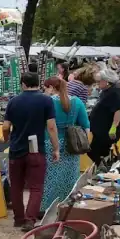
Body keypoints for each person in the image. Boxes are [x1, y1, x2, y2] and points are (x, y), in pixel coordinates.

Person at [3, 72, 59, 230]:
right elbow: (51, 126)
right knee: (36, 186)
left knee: (16, 185)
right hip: (36, 149)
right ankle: (30, 219)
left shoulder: (13, 101)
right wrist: (56, 148)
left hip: (16, 148)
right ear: (38, 83)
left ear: (23, 84)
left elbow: (6, 126)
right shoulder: (46, 100)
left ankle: (18, 218)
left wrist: (7, 139)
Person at [41, 76, 89, 211]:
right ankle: (67, 206)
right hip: (72, 144)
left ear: (51, 87)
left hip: (50, 142)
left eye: (45, 87)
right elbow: (86, 125)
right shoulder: (77, 102)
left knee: (49, 178)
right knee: (70, 177)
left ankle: (47, 208)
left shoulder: (48, 102)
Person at [88, 68, 120, 165]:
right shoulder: (106, 91)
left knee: (93, 151)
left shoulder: (115, 92)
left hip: (106, 130)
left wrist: (113, 127)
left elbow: (118, 109)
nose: (97, 84)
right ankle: (103, 168)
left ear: (107, 81)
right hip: (100, 130)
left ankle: (104, 167)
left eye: (99, 81)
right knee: (98, 152)